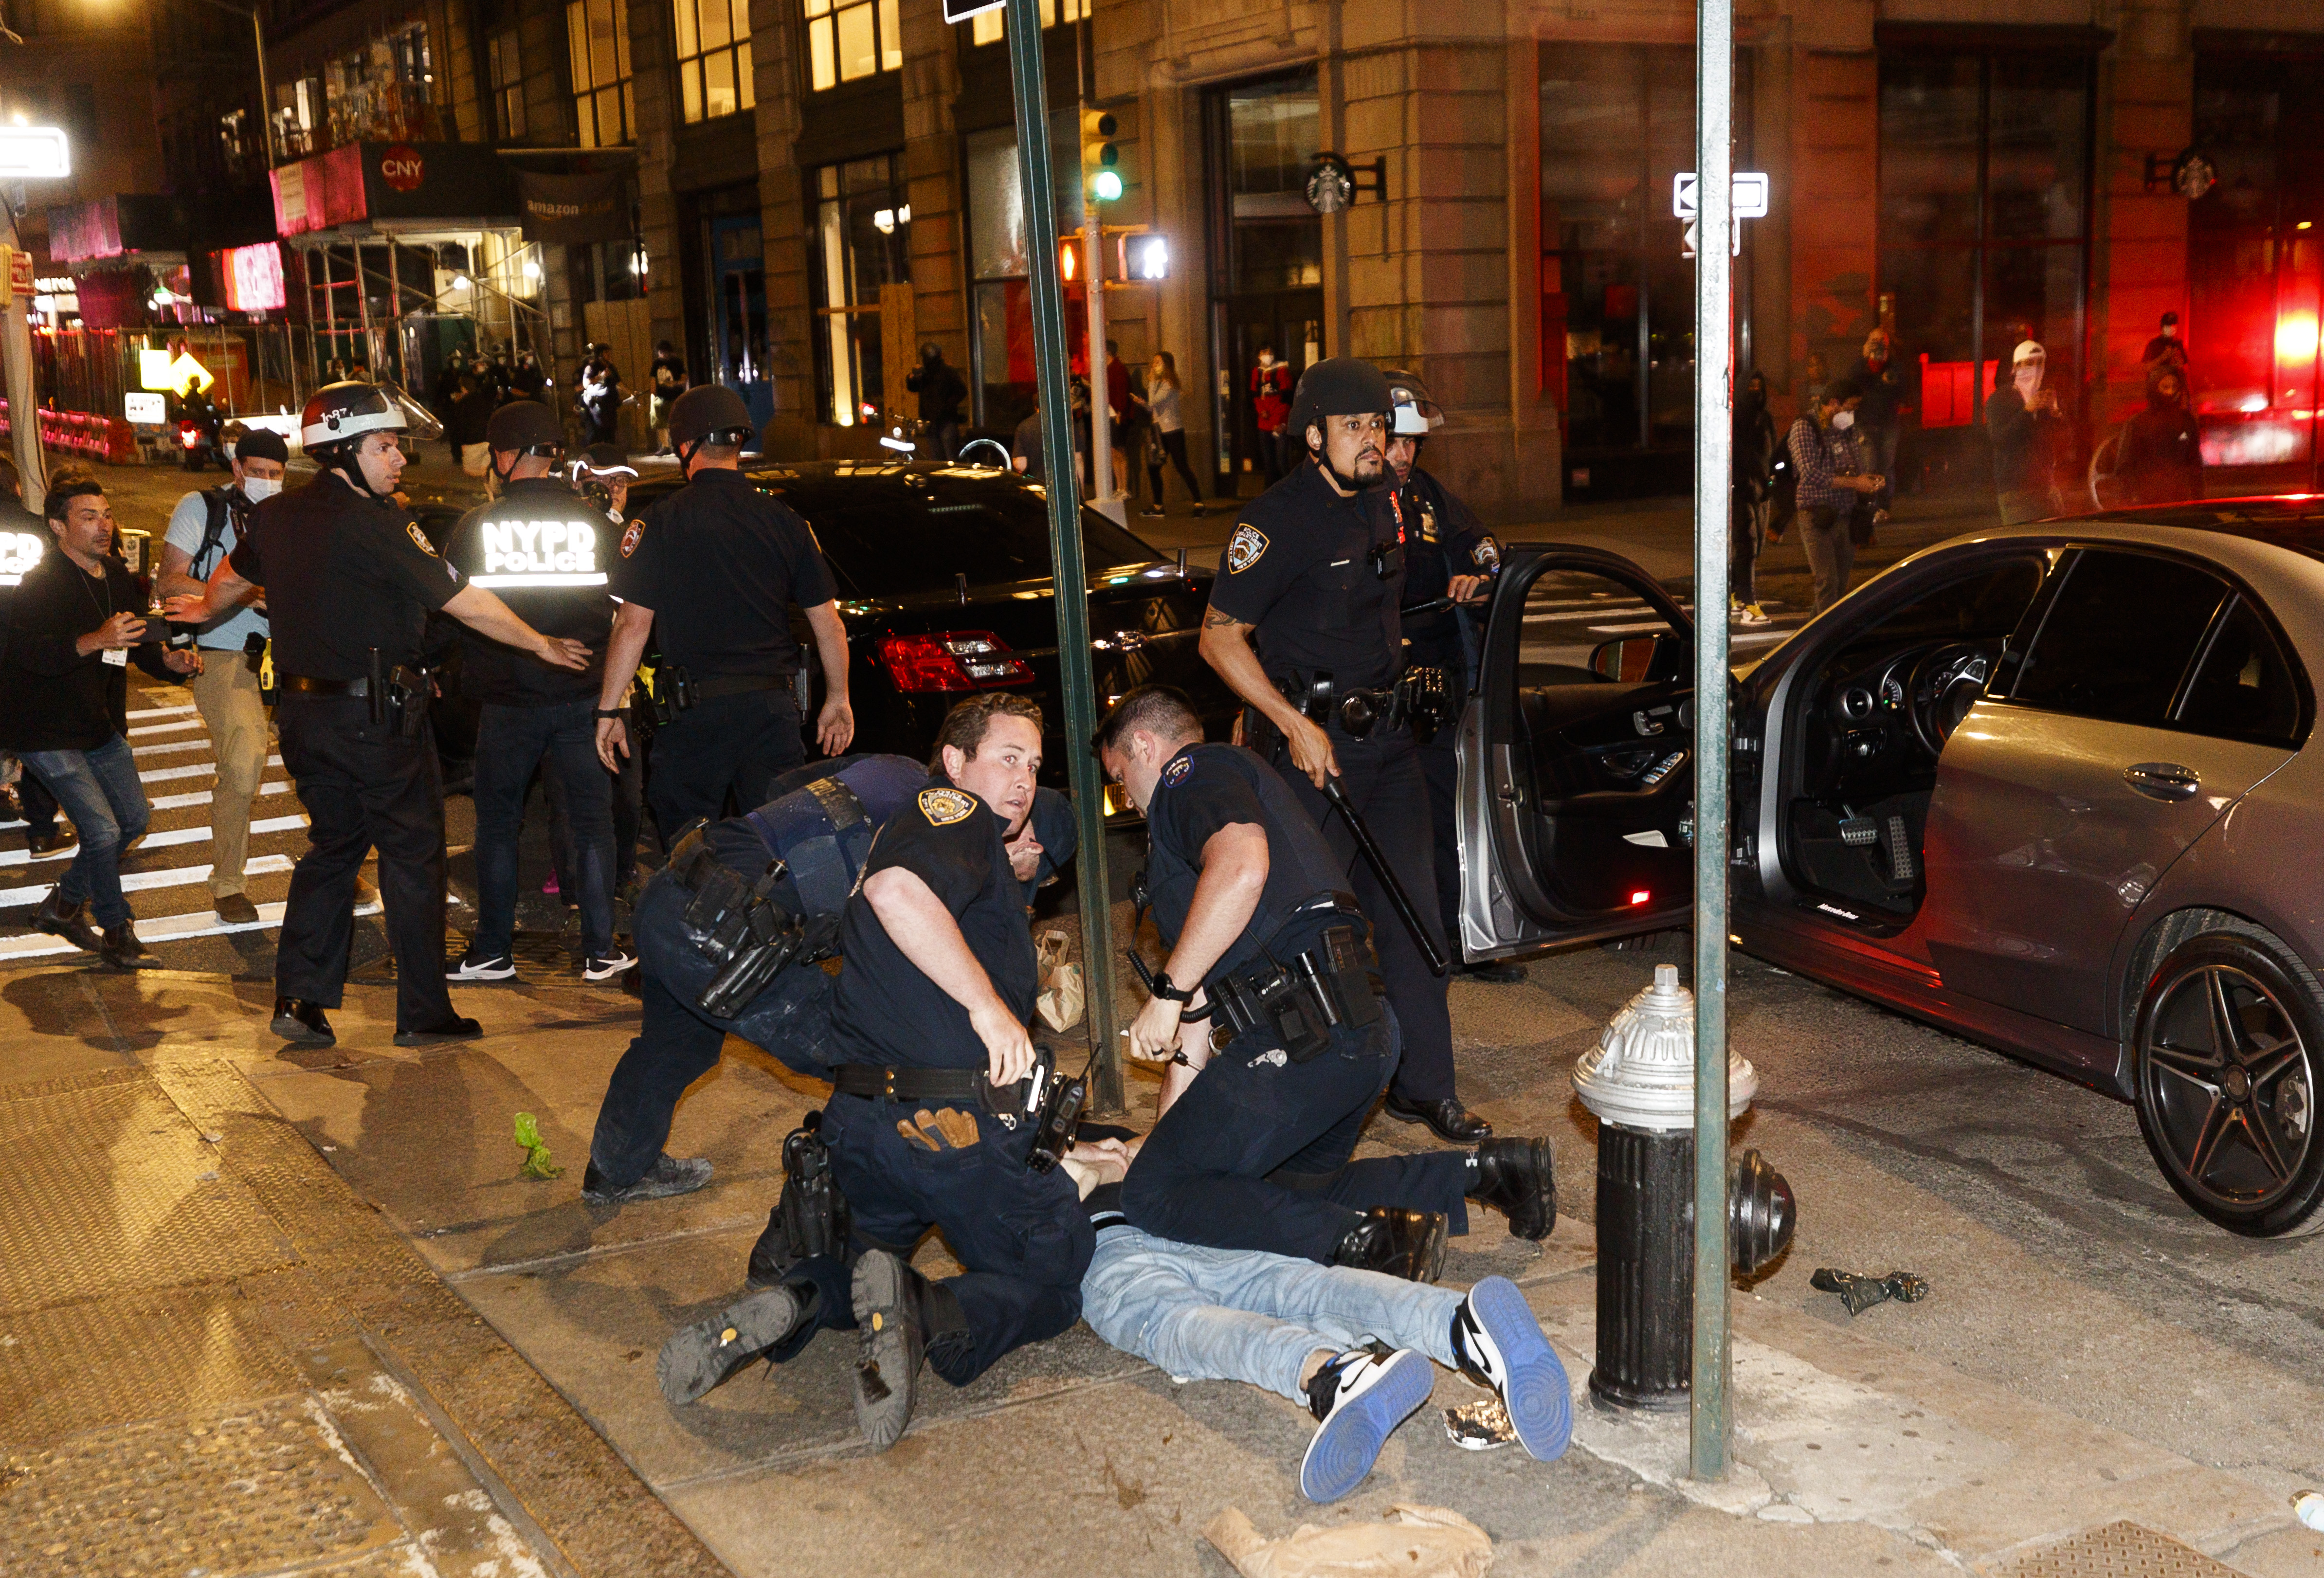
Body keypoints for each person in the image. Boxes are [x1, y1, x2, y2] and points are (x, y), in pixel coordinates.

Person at [178, 382, 589, 1048]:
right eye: (385, 446)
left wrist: (202, 609)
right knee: (413, 855)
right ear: (342, 451)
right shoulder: (380, 524)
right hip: (377, 720)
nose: (399, 459)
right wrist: (541, 643)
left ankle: (300, 997)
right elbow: (465, 601)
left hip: (304, 718)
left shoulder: (276, 515)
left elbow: (232, 574)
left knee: (334, 847)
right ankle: (424, 1011)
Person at [1097, 685, 1552, 1270]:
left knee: (1152, 1195)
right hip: (1357, 1033)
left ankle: (1372, 1245)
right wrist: (1169, 1138)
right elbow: (1197, 1019)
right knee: (1277, 1192)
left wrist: (1166, 992)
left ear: (1143, 745)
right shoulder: (1227, 808)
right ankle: (1491, 1171)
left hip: (1303, 1036)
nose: (1130, 802)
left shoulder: (1189, 776)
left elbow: (1243, 866)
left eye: (1120, 779)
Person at [1199, 356, 1490, 1145]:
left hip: (1387, 742)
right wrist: (1285, 721)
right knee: (1303, 928)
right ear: (1313, 434)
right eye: (1355, 425)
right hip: (1311, 751)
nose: (1374, 439)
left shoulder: (1390, 500)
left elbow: (1427, 574)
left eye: (1379, 426)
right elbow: (1220, 638)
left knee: (1413, 917)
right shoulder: (1276, 520)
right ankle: (1289, 1098)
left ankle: (1425, 1087)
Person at [582, 741, 1072, 1206]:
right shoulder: (949, 830)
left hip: (677, 886)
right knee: (867, 1056)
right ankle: (845, 1216)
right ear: (1031, 843)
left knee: (677, 1046)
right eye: (1040, 869)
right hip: (721, 926)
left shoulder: (899, 768)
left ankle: (615, 1170)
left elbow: (783, 789)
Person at [819, 695, 1091, 1449]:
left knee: (862, 1271)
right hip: (947, 1129)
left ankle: (797, 1302)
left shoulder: (946, 850)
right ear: (954, 762)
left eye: (1035, 765)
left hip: (862, 1126)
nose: (1025, 779)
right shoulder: (954, 811)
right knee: (1061, 1267)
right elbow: (896, 891)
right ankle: (925, 1312)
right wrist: (989, 1009)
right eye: (1007, 757)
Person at [1069, 1138, 1571, 1503]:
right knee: (1306, 1287)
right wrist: (1092, 1154)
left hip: (1105, 1239)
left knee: (1180, 1325)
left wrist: (1072, 1167)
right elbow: (1142, 1147)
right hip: (1178, 1212)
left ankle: (1333, 1373)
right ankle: (1458, 1325)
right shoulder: (1070, 1124)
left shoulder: (1032, 1134)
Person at [594, 384, 854, 835]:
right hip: (772, 714)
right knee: (780, 845)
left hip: (695, 718)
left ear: (684, 446)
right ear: (739, 442)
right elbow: (828, 623)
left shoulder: (660, 520)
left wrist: (608, 709)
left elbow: (632, 625)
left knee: (691, 851)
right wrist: (838, 698)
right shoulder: (785, 521)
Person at [440, 399, 631, 985]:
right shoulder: (595, 524)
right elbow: (630, 612)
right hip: (584, 697)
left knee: (499, 825)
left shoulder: (475, 527)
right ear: (553, 454)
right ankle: (601, 951)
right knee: (593, 823)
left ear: (504, 457)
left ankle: (493, 951)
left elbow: (448, 609)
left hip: (507, 702)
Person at [0, 472, 203, 967]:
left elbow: (135, 643)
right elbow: (24, 653)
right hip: (42, 727)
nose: (103, 526)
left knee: (133, 819)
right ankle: (116, 931)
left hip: (95, 721)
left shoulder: (114, 573)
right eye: (88, 517)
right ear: (58, 527)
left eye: (107, 515)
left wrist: (170, 664)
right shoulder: (38, 582)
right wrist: (95, 640)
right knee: (103, 831)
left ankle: (65, 905)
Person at [1379, 370, 1521, 982]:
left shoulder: (1427, 495)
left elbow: (1483, 544)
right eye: (1394, 441)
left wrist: (1479, 577)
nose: (1403, 455)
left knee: (1445, 816)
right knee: (1377, 827)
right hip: (1371, 687)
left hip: (1433, 688)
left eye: (1412, 444)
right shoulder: (1344, 504)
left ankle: (1456, 942)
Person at [155, 425, 290, 925]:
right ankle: (229, 883)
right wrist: (247, 594)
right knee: (243, 761)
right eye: (257, 472)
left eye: (276, 473)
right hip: (225, 652)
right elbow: (169, 581)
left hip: (291, 655)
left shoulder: (293, 515)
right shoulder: (202, 508)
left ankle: (336, 866)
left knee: (323, 764)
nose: (266, 481)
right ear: (236, 469)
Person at [1785, 378, 1883, 614]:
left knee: (1839, 587)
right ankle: (1826, 635)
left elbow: (1856, 464)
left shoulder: (1846, 429)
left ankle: (1812, 633)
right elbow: (1810, 473)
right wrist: (1855, 483)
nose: (1852, 413)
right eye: (1850, 407)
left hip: (1845, 514)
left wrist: (1871, 479)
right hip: (1817, 515)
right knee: (1827, 583)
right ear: (1833, 403)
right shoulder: (1805, 427)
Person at [1987, 340, 2068, 526]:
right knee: (2027, 539)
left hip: (2047, 488)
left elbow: (2065, 441)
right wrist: (2027, 412)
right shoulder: (2000, 400)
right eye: (2029, 363)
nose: (2035, 369)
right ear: (2016, 367)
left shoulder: (2045, 397)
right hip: (2016, 492)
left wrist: (2056, 412)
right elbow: (2001, 440)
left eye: (2040, 363)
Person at [1846, 329, 1907, 536]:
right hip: (1864, 423)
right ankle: (1869, 508)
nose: (1878, 345)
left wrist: (1891, 380)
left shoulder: (1895, 366)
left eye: (1882, 342)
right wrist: (1864, 359)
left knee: (1886, 467)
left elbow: (1903, 391)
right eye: (1874, 341)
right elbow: (1851, 384)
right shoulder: (1861, 366)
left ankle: (1884, 507)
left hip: (1888, 423)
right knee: (1869, 465)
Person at [2115, 366, 2204, 507]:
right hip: (2146, 502)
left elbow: (2195, 462)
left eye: (2175, 387)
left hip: (2180, 500)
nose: (2171, 392)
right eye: (2165, 387)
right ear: (2154, 388)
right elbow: (2125, 465)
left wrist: (2197, 498)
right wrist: (2128, 499)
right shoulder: (2138, 423)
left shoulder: (2186, 421)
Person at [1731, 371, 1778, 624]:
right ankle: (1749, 603)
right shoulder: (1736, 419)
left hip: (1761, 490)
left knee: (1755, 545)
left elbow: (1772, 452)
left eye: (1760, 386)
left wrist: (1772, 478)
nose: (1756, 392)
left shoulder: (1765, 418)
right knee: (1747, 542)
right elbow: (1740, 454)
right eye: (1751, 387)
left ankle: (1734, 593)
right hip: (1741, 489)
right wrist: (1752, 479)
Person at [1136, 351, 1207, 518]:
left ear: (1167, 365)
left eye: (1158, 362)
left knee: (1181, 466)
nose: (1154, 365)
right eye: (1154, 362)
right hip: (1159, 432)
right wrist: (1143, 403)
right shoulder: (1158, 383)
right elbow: (1151, 408)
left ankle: (1199, 503)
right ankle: (1158, 506)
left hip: (1173, 431)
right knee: (1154, 467)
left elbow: (1154, 402)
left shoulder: (1169, 383)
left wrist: (1151, 382)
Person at [904, 342, 966, 463]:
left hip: (945, 421)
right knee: (938, 458)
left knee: (949, 458)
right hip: (931, 421)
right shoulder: (926, 373)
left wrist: (946, 407)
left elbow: (961, 391)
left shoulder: (946, 372)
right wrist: (912, 378)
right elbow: (914, 387)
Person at [1251, 346, 1293, 483]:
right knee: (1268, 463)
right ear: (1259, 356)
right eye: (1264, 353)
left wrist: (1278, 422)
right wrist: (1261, 411)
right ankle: (1271, 491)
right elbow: (1255, 395)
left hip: (1280, 424)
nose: (1267, 356)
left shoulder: (1282, 371)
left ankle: (1288, 490)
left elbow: (1286, 399)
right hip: (1264, 424)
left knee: (1282, 462)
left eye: (1270, 353)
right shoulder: (1257, 373)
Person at [576, 343, 622, 447]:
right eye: (606, 352)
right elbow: (585, 384)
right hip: (598, 405)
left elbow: (619, 383)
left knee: (611, 432)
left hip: (611, 405)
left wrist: (631, 393)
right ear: (600, 354)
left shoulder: (611, 367)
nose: (609, 355)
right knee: (598, 432)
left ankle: (610, 453)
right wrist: (601, 377)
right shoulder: (592, 367)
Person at [648, 340, 688, 452]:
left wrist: (674, 383)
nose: (663, 355)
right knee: (661, 423)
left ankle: (677, 445)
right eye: (661, 352)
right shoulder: (657, 363)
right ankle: (665, 446)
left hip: (675, 397)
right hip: (661, 397)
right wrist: (653, 395)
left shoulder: (677, 362)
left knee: (675, 422)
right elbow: (653, 380)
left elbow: (684, 379)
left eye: (664, 352)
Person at [2142, 311, 2190, 382]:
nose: (2171, 329)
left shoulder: (2179, 344)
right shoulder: (2154, 345)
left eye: (2174, 326)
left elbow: (2186, 368)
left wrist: (2180, 363)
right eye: (2168, 327)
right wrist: (2163, 357)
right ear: (2162, 328)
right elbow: (2146, 368)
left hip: (2175, 385)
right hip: (2158, 385)